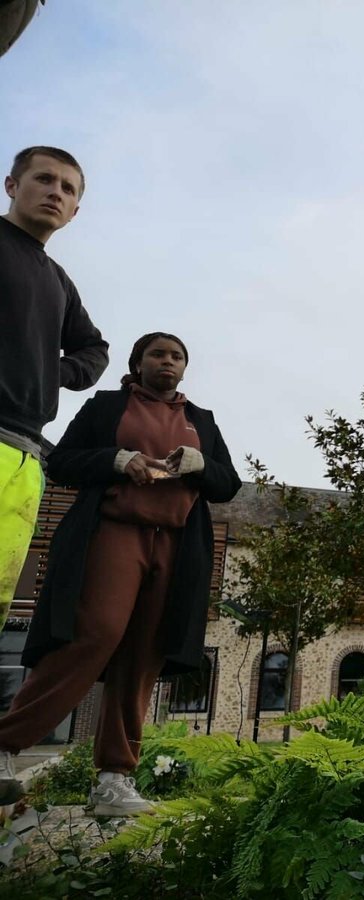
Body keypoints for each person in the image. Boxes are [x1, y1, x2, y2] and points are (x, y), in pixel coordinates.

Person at [0, 333, 240, 812]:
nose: (167, 362)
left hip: (176, 544)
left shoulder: (202, 421)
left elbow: (227, 484)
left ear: (185, 368)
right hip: (114, 530)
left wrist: (199, 463)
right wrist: (118, 460)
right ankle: (6, 743)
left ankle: (113, 778)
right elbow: (62, 461)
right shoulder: (106, 407)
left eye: (176, 356)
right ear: (138, 362)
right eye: (157, 354)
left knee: (145, 651)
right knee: (96, 633)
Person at [1, 146, 108, 634]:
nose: (55, 192)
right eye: (44, 179)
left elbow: (94, 349)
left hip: (24, 459)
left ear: (76, 210)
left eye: (67, 188)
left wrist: (52, 371)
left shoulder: (59, 282)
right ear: (12, 186)